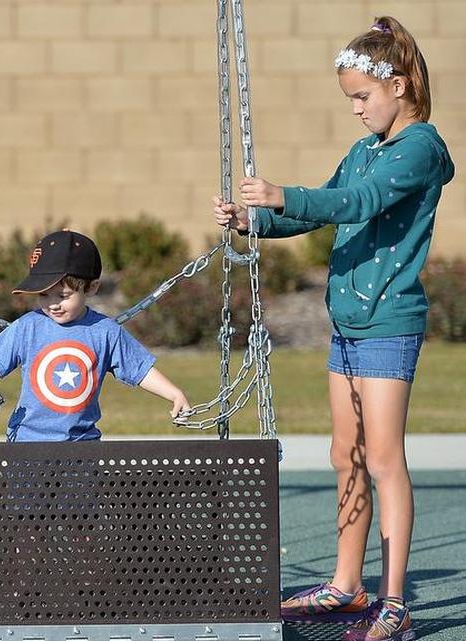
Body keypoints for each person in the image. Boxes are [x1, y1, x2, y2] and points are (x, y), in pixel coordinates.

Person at [213, 16, 452, 641]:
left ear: (398, 86)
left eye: (361, 97)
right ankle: (347, 586)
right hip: (348, 323)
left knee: (382, 458)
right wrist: (253, 220)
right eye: (349, 98)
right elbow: (322, 206)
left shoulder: (420, 147)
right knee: (342, 454)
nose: (354, 109)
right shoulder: (364, 151)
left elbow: (359, 203)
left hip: (388, 322)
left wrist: (280, 193)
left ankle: (393, 601)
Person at [0, 229, 191, 442]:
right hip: (27, 443)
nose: (53, 304)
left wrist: (174, 394)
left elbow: (140, 369)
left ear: (91, 287)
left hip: (82, 445)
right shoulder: (27, 327)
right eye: (44, 295)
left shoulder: (105, 331)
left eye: (63, 295)